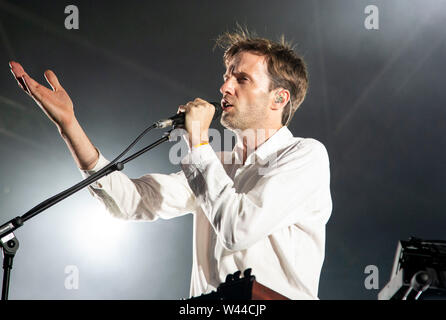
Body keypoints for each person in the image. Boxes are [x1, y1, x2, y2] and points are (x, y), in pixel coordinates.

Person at [9, 29, 332, 300]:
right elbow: (130, 202)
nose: (224, 87)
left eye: (242, 79)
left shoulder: (305, 156)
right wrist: (69, 126)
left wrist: (198, 143)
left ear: (279, 98)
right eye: (226, 76)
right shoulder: (215, 165)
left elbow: (238, 229)